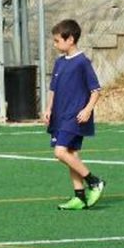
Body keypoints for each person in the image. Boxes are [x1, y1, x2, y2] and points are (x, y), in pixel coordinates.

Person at [43, 18, 106, 210]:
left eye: (57, 41)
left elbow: (96, 90)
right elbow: (53, 89)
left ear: (70, 39)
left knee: (60, 152)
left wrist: (87, 110)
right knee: (71, 154)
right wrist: (48, 109)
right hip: (60, 116)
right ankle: (79, 196)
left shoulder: (82, 63)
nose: (55, 44)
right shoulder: (59, 63)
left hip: (75, 116)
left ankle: (94, 181)